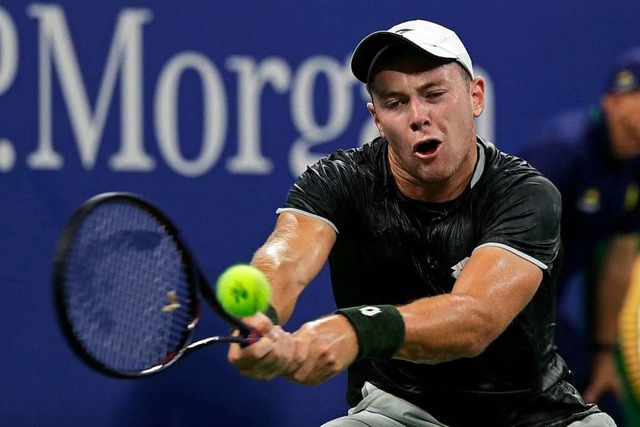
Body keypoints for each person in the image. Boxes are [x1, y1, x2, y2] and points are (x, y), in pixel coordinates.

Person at [227, 19, 617, 426]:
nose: (418, 116)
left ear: (475, 96)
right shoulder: (338, 180)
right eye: (395, 103)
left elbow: (475, 318)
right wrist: (261, 315)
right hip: (401, 414)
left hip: (539, 417)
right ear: (377, 119)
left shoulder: (526, 194)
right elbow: (285, 256)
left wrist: (357, 330)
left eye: (434, 95)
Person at [518, 47, 640, 425]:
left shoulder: (636, 167)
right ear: (614, 100)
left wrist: (604, 354)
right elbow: (502, 244)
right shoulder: (561, 152)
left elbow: (619, 263)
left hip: (545, 317)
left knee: (604, 406)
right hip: (505, 312)